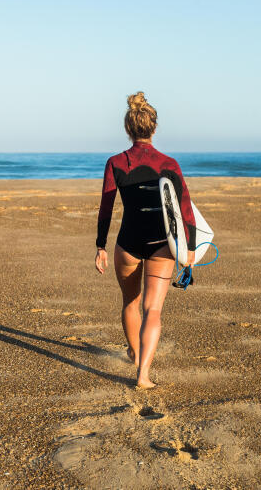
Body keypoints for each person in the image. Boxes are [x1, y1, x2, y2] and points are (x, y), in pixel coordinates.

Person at [94, 92, 196, 389]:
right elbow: (184, 208)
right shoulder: (169, 164)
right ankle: (143, 376)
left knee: (130, 302)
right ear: (154, 128)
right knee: (153, 310)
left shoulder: (115, 162)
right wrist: (188, 248)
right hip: (161, 245)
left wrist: (100, 246)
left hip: (128, 242)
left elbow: (106, 207)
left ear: (129, 129)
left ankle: (136, 354)